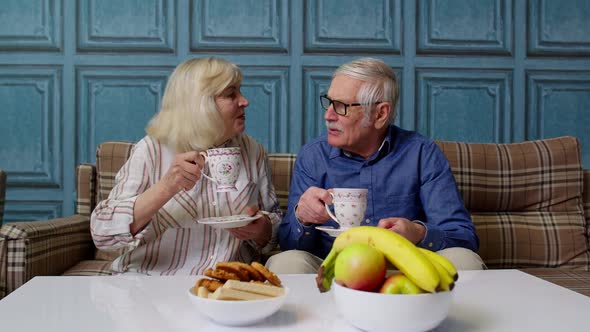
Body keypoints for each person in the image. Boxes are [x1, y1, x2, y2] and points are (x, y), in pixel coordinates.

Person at [266, 57, 485, 273]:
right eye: (329, 102)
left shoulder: (422, 153)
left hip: (406, 269)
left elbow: (462, 235)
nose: (328, 115)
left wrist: (418, 232)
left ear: (380, 114)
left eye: (341, 106)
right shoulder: (313, 155)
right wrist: (302, 218)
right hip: (334, 269)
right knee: (287, 263)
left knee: (465, 261)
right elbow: (289, 244)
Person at [90, 57, 281, 275]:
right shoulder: (152, 150)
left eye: (240, 91)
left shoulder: (253, 151)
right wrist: (167, 187)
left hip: (226, 284)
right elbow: (101, 233)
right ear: (202, 104)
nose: (244, 101)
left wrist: (261, 229)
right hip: (152, 284)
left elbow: (274, 231)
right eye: (231, 94)